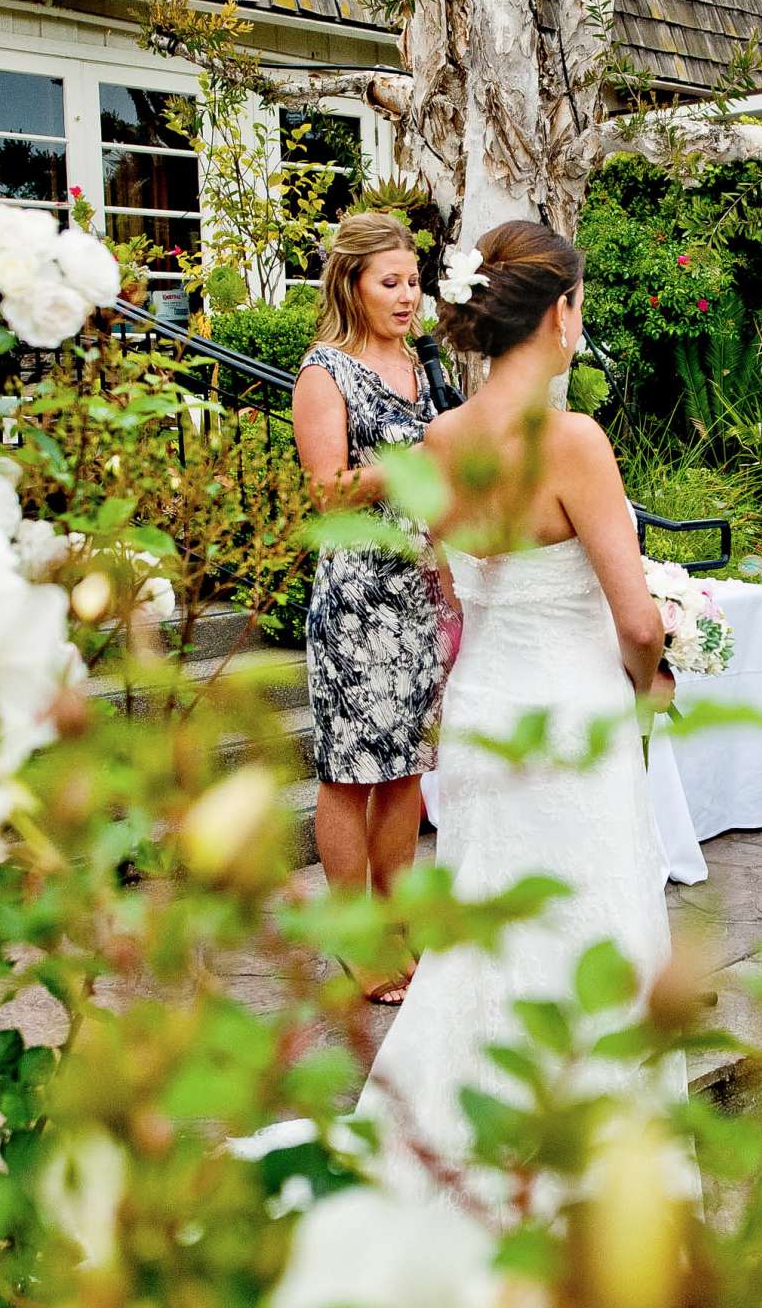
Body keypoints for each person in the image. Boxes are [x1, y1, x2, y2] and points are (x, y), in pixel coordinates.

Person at [356, 220, 678, 1202]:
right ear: (558, 314)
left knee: (486, 930)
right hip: (569, 716)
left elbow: (439, 575)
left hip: (488, 709)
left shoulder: (440, 437)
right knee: (589, 927)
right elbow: (637, 618)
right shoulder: (572, 440)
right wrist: (656, 669)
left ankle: (453, 1151)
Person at [292, 211, 444, 1003]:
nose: (408, 296)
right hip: (356, 598)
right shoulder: (327, 372)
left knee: (408, 766)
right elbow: (325, 494)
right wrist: (416, 458)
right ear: (352, 283)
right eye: (392, 282)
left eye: (414, 282)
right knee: (352, 771)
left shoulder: (423, 365)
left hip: (421, 590)